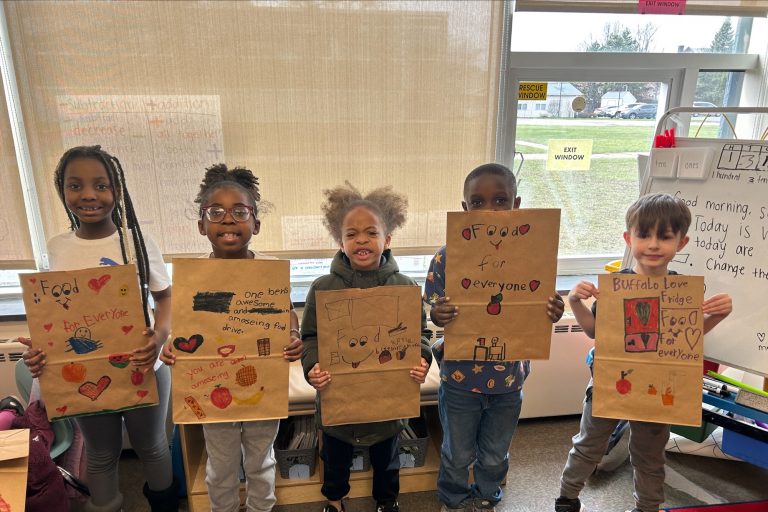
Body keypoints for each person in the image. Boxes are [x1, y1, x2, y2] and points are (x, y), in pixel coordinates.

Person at [19, 145, 177, 512]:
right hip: (83, 372)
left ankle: (165, 507)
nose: (89, 194)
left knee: (152, 446)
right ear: (63, 192)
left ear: (116, 191)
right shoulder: (57, 247)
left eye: (100, 185)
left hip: (143, 366)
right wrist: (41, 350)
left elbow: (165, 300)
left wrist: (160, 336)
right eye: (75, 185)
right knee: (102, 452)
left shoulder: (138, 241)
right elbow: (55, 314)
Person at [554, 192, 733, 512]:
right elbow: (595, 331)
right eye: (644, 234)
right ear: (629, 238)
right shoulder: (616, 286)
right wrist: (576, 302)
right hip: (609, 384)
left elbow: (686, 339)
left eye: (664, 237)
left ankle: (646, 508)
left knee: (649, 455)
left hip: (658, 390)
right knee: (589, 445)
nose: (653, 244)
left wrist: (715, 316)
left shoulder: (682, 291)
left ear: (681, 242)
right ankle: (567, 498)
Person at [160, 164, 303, 512]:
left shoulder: (268, 271)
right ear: (201, 225)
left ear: (255, 223)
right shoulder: (193, 277)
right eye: (216, 212)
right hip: (212, 387)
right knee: (221, 464)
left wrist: (294, 332)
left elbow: (286, 313)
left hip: (262, 384)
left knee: (260, 461)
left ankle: (261, 509)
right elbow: (183, 328)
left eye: (240, 211)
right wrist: (170, 345)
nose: (228, 220)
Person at [424, 163, 565, 512]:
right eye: (478, 201)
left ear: (516, 205)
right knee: (457, 450)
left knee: (495, 450)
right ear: (464, 209)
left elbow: (538, 303)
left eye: (500, 200)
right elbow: (432, 305)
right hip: (459, 377)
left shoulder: (532, 254)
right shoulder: (447, 256)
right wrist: (437, 313)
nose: (488, 209)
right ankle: (453, 498)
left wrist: (553, 310)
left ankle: (488, 494)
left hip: (508, 380)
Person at [300, 182, 433, 512]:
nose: (361, 239)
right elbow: (310, 339)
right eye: (352, 233)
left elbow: (420, 335)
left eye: (371, 232)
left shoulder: (405, 287)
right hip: (338, 402)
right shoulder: (323, 288)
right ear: (340, 241)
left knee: (387, 461)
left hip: (387, 405)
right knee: (334, 458)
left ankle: (387, 502)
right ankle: (334, 499)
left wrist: (421, 357)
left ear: (387, 239)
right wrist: (312, 366)